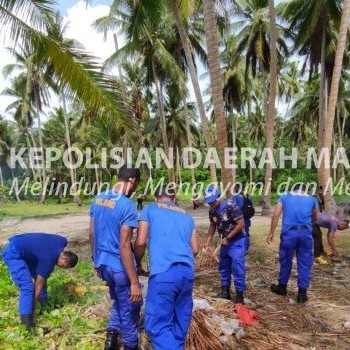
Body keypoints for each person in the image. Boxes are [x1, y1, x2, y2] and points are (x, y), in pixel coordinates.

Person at [134, 185, 198, 350]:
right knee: (179, 322)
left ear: (156, 198)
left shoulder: (150, 209)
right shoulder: (188, 216)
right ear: (174, 199)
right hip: (186, 273)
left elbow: (140, 242)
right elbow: (195, 249)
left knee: (157, 325)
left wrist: (137, 263)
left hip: (164, 273)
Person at [89, 165, 142, 350]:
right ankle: (130, 345)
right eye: (136, 185)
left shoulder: (98, 198)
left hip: (103, 264)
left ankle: (110, 340)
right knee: (130, 308)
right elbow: (125, 244)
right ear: (132, 181)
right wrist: (134, 281)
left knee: (118, 301)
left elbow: (92, 233)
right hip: (120, 267)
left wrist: (95, 260)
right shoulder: (127, 205)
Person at [2, 233, 78, 332]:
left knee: (41, 277)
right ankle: (27, 323)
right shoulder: (48, 261)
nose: (62, 268)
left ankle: (44, 305)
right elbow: (37, 287)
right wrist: (32, 308)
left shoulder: (62, 241)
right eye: (64, 266)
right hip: (14, 253)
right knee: (27, 286)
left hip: (26, 249)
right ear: (63, 258)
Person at [266, 184, 318, 303]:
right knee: (305, 262)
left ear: (293, 190)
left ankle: (282, 287)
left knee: (285, 260)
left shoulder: (284, 197)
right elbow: (315, 216)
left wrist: (271, 232)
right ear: (304, 191)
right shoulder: (311, 199)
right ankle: (302, 293)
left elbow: (276, 214)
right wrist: (311, 225)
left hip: (289, 233)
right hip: (305, 233)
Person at [203, 184, 246, 304]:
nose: (211, 204)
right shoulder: (212, 210)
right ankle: (225, 291)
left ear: (218, 197)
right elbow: (212, 225)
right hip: (225, 241)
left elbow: (241, 224)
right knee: (224, 266)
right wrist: (208, 241)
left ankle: (239, 295)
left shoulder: (231, 205)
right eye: (209, 202)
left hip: (236, 240)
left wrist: (228, 237)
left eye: (213, 201)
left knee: (238, 267)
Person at [232, 184, 254, 252]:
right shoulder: (248, 196)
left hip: (238, 218)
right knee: (246, 232)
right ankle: (246, 247)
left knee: (238, 233)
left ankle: (240, 248)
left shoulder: (235, 197)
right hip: (247, 217)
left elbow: (232, 207)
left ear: (235, 189)